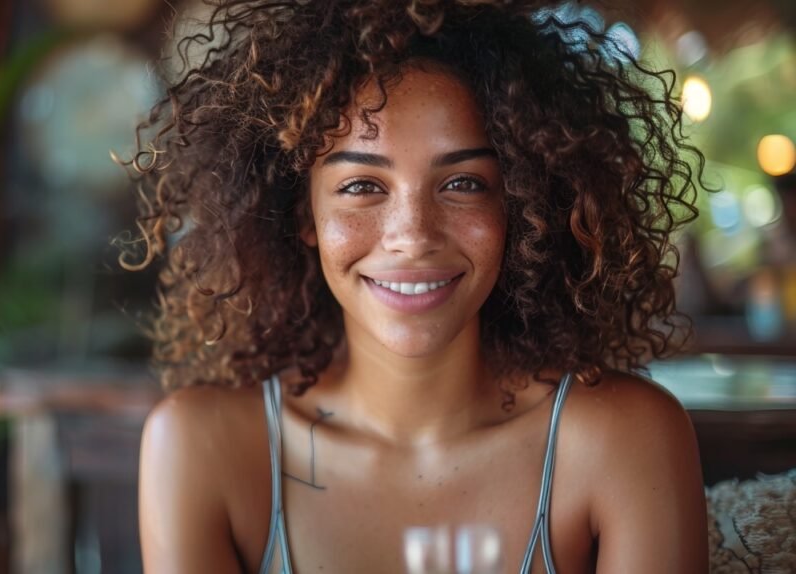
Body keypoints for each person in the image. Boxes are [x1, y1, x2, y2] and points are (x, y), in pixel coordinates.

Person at [126, 1, 709, 572]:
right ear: (302, 214)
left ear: (525, 204)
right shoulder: (202, 450)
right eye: (360, 186)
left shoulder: (623, 442)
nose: (413, 236)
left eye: (463, 182)